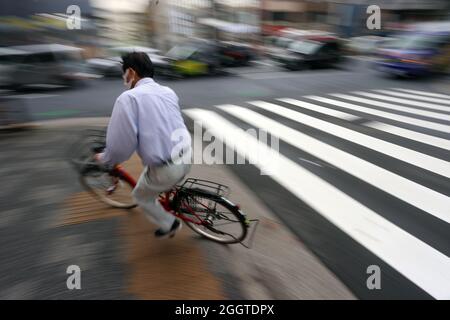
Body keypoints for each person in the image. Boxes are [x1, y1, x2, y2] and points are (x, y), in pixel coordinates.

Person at [96, 52, 192, 238]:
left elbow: (119, 148)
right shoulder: (168, 91)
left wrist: (104, 158)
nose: (124, 80)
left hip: (166, 168)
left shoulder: (128, 99)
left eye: (124, 75)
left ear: (131, 72)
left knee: (140, 196)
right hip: (187, 153)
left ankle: (169, 224)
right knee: (159, 182)